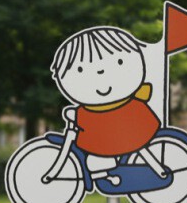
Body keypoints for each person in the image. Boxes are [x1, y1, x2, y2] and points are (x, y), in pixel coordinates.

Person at [49, 26, 162, 183]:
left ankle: (106, 171)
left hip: (127, 135)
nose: (100, 72)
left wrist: (75, 114)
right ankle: (107, 171)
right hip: (129, 131)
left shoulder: (116, 106)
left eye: (119, 62)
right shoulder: (101, 105)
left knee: (98, 155)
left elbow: (96, 117)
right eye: (80, 69)